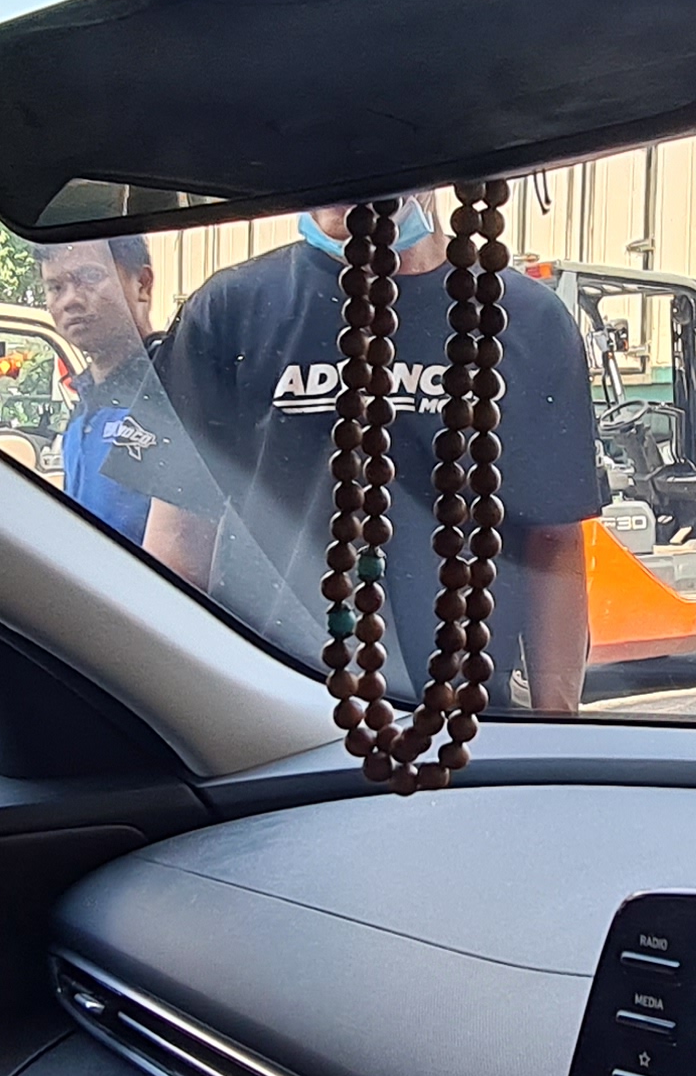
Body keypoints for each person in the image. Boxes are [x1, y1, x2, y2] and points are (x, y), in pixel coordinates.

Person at [139, 192, 599, 712]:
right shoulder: (229, 311)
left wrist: (554, 725)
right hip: (272, 721)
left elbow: (553, 542)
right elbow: (178, 548)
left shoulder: (527, 321)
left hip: (463, 719)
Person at [38, 234, 165, 539]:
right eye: (56, 287)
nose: (70, 300)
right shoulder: (83, 400)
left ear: (142, 284)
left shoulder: (176, 391)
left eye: (90, 277)